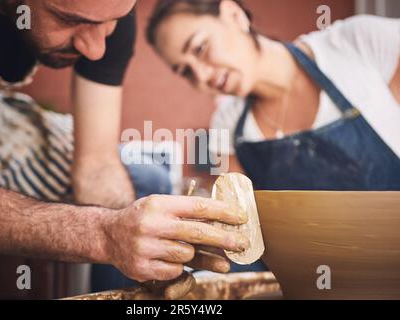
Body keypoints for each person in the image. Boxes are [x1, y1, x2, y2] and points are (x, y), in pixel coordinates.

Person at [0, 0, 250, 285]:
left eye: (112, 22)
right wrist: (103, 235)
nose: (95, 50)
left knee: (145, 178)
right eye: (69, 19)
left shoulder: (108, 9)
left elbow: (97, 165)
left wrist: (134, 233)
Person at [146, 0, 400, 271]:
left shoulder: (358, 43)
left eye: (200, 48)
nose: (202, 75)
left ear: (234, 15)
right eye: (186, 71)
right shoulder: (227, 123)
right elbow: (243, 232)